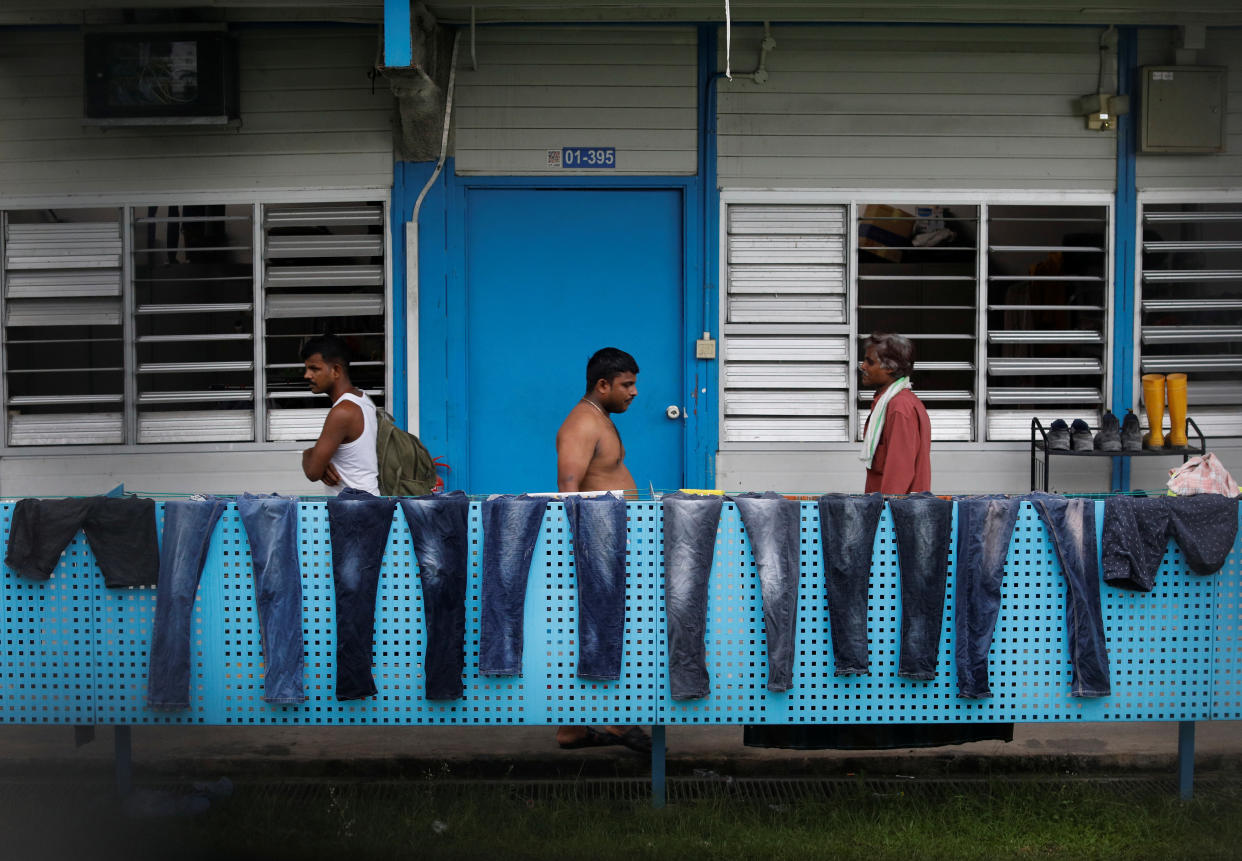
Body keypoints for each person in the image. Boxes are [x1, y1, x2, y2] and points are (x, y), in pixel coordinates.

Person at [553, 347, 651, 754]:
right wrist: (584, 551)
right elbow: (569, 490)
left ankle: (573, 730)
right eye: (627, 385)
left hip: (611, 536)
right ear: (603, 384)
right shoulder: (581, 424)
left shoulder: (600, 418)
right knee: (604, 628)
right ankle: (614, 722)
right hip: (597, 541)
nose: (634, 393)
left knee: (601, 629)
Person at [300, 334, 380, 496]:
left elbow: (313, 472)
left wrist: (308, 453)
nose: (307, 375)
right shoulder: (362, 399)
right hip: (365, 503)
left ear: (336, 370)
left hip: (354, 510)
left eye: (314, 369)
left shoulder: (342, 412)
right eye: (307, 368)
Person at [859, 331, 931, 494]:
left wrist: (884, 513)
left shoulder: (899, 407)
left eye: (870, 362)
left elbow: (899, 475)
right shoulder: (892, 403)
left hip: (894, 514)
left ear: (891, 368)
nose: (863, 366)